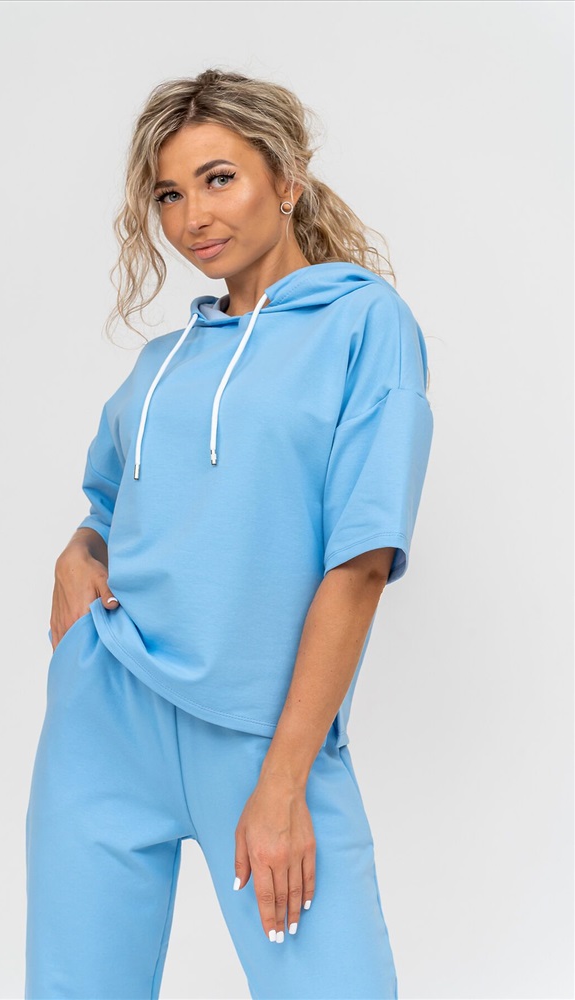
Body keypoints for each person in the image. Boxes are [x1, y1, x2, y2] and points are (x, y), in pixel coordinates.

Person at [24, 68, 434, 1000]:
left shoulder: (362, 324)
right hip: (105, 716)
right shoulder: (162, 361)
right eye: (169, 194)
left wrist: (285, 778)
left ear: (286, 179)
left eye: (218, 179)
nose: (192, 217)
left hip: (260, 733)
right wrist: (78, 553)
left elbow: (362, 560)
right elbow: (106, 509)